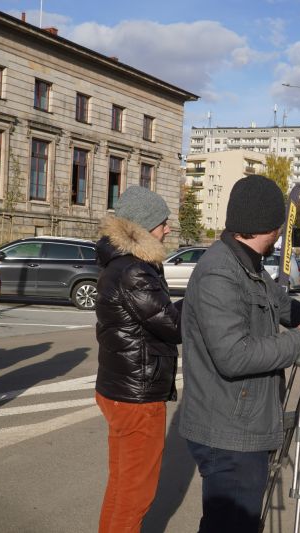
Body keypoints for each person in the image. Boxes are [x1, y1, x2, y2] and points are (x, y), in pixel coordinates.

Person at [178, 174, 300, 532]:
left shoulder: (247, 263)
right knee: (231, 526)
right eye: (279, 225)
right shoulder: (220, 272)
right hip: (228, 432)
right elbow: (234, 356)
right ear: (269, 226)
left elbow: (282, 306)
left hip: (243, 424)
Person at [94, 186, 182, 532]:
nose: (168, 229)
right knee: (135, 494)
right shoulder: (135, 271)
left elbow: (157, 315)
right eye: (163, 223)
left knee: (121, 487)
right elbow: (173, 326)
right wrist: (201, 301)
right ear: (143, 227)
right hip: (138, 395)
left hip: (120, 388)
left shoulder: (120, 265)